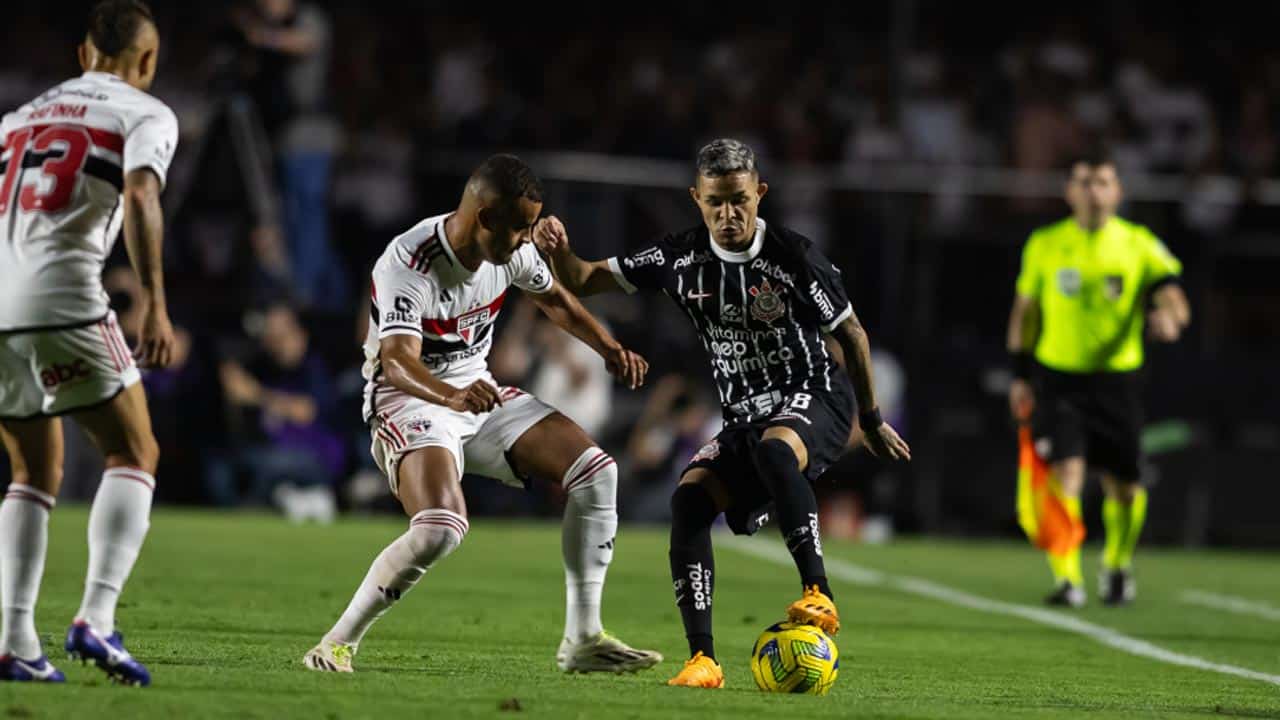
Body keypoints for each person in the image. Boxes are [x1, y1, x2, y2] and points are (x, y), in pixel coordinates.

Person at [535, 138, 911, 689]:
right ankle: (703, 660)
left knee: (776, 450)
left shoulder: (795, 257)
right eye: (715, 202)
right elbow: (583, 278)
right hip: (745, 417)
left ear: (759, 193)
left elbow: (851, 333)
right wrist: (557, 252)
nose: (728, 214)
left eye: (739, 199)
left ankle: (818, 594)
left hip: (816, 395)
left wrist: (872, 419)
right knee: (688, 500)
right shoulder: (677, 257)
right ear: (697, 198)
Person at [302, 154, 662, 675]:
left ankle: (583, 639)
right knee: (440, 529)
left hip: (479, 393)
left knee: (596, 473)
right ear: (484, 218)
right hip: (410, 399)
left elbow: (555, 299)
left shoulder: (508, 251)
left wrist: (609, 348)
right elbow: (396, 359)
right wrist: (449, 397)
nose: (526, 238)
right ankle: (335, 644)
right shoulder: (409, 261)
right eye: (520, 227)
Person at [0, 0, 178, 686]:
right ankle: (95, 620)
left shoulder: (19, 118)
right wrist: (155, 305)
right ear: (148, 60)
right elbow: (138, 195)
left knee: (30, 472)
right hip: (63, 295)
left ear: (82, 55)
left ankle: (16, 642)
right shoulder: (143, 112)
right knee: (134, 451)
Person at [1007, 151, 1190, 608]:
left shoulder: (1138, 243)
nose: (1093, 191)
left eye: (1103, 182)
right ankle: (1069, 580)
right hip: (1058, 378)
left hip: (1117, 382)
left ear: (1117, 192)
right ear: (1070, 192)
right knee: (1065, 475)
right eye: (1084, 182)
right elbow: (1025, 314)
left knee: (1125, 486)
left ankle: (1116, 565)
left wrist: (1171, 318)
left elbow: (1171, 292)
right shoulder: (1045, 244)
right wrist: (1020, 375)